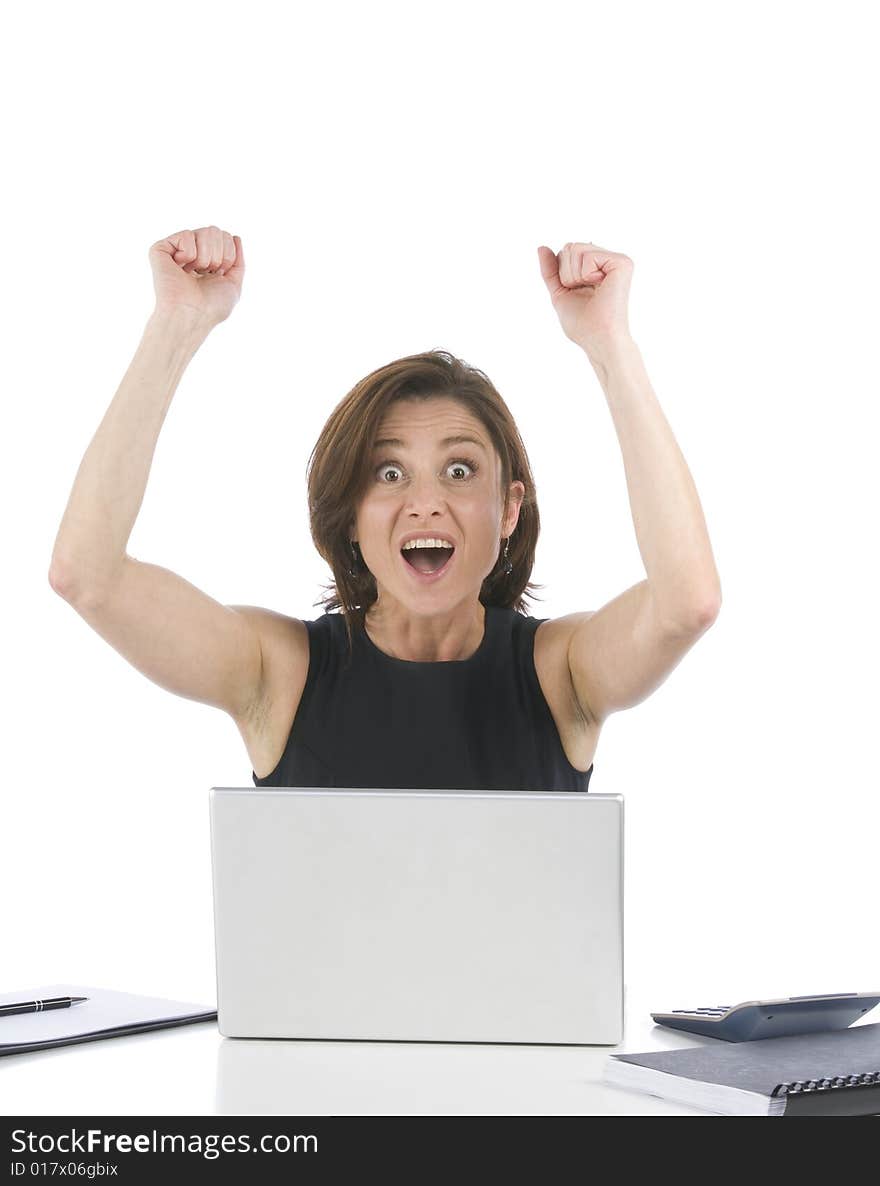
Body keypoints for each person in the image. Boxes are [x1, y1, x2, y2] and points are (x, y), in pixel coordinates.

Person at [49, 226, 721, 793]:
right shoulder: (275, 673)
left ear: (508, 508)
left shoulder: (561, 672)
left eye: (460, 470)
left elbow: (687, 600)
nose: (424, 502)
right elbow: (88, 575)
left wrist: (610, 345)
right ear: (349, 514)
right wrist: (177, 324)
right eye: (389, 472)